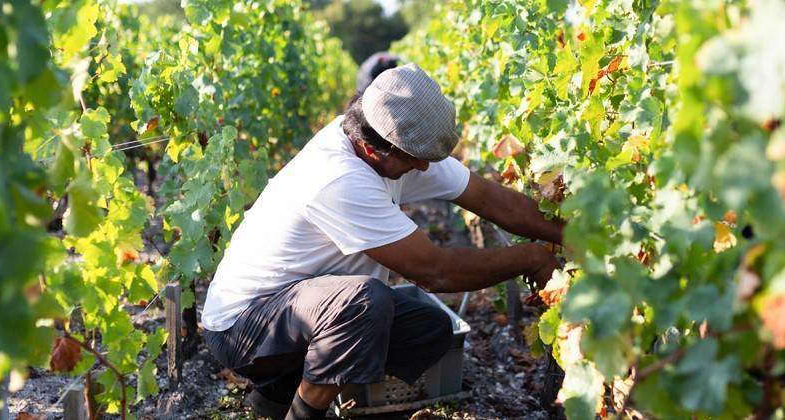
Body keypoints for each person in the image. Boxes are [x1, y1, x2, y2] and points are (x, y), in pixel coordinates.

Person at [200, 64, 563, 420]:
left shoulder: (395, 138)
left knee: (430, 327)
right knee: (363, 304)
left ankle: (275, 399)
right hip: (242, 329)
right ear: (377, 151)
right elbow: (438, 273)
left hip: (299, 309)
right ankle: (303, 411)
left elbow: (490, 200)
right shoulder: (339, 178)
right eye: (415, 161)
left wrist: (570, 235)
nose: (424, 169)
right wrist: (529, 257)